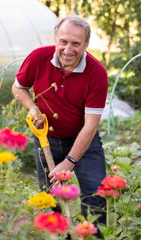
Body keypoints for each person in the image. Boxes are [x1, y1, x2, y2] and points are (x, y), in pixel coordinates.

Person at [12, 14, 108, 231]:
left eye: (76, 44)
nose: (68, 49)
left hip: (84, 139)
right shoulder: (38, 58)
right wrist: (33, 107)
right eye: (63, 42)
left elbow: (91, 125)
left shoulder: (96, 73)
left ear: (86, 44)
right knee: (50, 199)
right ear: (56, 40)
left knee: (96, 194)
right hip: (47, 139)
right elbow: (18, 88)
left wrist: (70, 161)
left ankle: (91, 236)